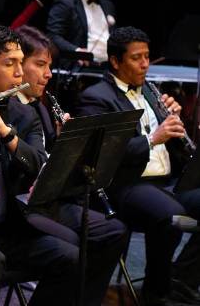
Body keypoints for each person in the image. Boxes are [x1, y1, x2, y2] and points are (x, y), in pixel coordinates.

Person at [0, 23, 127, 306]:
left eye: (20, 62)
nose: (19, 72)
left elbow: (39, 165)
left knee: (70, 257)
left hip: (6, 225)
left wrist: (7, 134)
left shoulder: (24, 115)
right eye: (10, 63)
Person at [77, 26, 200, 305]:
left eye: (147, 56)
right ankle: (156, 294)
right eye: (136, 58)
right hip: (125, 185)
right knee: (171, 217)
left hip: (166, 183)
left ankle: (181, 280)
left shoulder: (151, 91)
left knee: (178, 210)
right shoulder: (97, 97)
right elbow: (104, 153)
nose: (145, 64)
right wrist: (154, 138)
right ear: (115, 61)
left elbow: (172, 145)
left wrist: (175, 121)